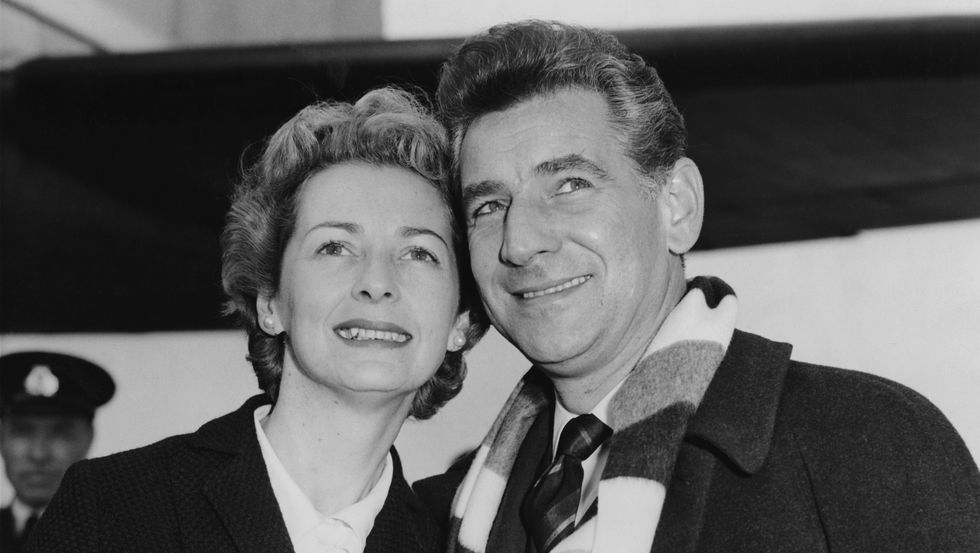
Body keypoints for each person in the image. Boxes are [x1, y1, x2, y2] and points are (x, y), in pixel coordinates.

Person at [413, 20, 980, 553]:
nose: (519, 241)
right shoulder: (456, 509)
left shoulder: (869, 444)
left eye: (569, 184)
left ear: (677, 207)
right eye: (489, 205)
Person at [26, 87, 487, 553]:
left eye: (419, 252)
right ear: (270, 302)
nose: (377, 282)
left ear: (461, 321)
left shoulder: (448, 544)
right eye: (335, 247)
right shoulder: (114, 508)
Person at [0, 351, 115, 553]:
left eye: (60, 433)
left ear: (88, 438)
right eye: (22, 431)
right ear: (2, 437)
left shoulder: (125, 537)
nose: (39, 454)